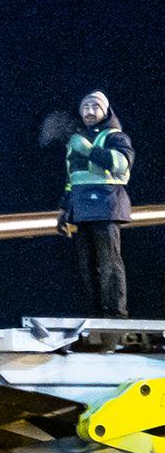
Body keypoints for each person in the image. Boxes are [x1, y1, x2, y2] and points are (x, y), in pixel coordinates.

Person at [60, 90, 133, 318]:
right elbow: (72, 178)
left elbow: (122, 164)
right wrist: (65, 209)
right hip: (82, 209)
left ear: (105, 110)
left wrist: (89, 150)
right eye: (85, 107)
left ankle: (116, 312)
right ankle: (96, 311)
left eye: (94, 106)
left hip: (107, 205)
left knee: (109, 262)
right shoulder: (77, 139)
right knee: (87, 265)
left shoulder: (116, 136)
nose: (89, 111)